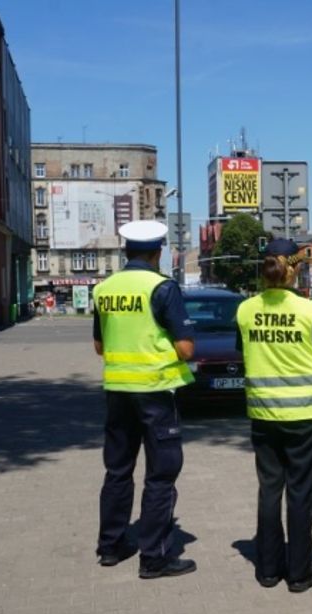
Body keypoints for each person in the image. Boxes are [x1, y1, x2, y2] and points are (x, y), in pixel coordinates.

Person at [91, 220, 197, 580]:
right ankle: (154, 556)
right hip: (155, 392)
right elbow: (185, 348)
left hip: (117, 393)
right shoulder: (162, 288)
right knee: (161, 474)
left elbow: (99, 346)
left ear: (126, 250)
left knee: (117, 470)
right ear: (158, 251)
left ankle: (111, 546)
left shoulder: (103, 289)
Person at [235, 239, 312, 593]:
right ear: (295, 269)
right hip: (306, 416)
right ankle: (299, 572)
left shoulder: (245, 310)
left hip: (264, 414)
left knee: (269, 489)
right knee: (300, 491)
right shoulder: (310, 311)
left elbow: (244, 351)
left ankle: (267, 569)